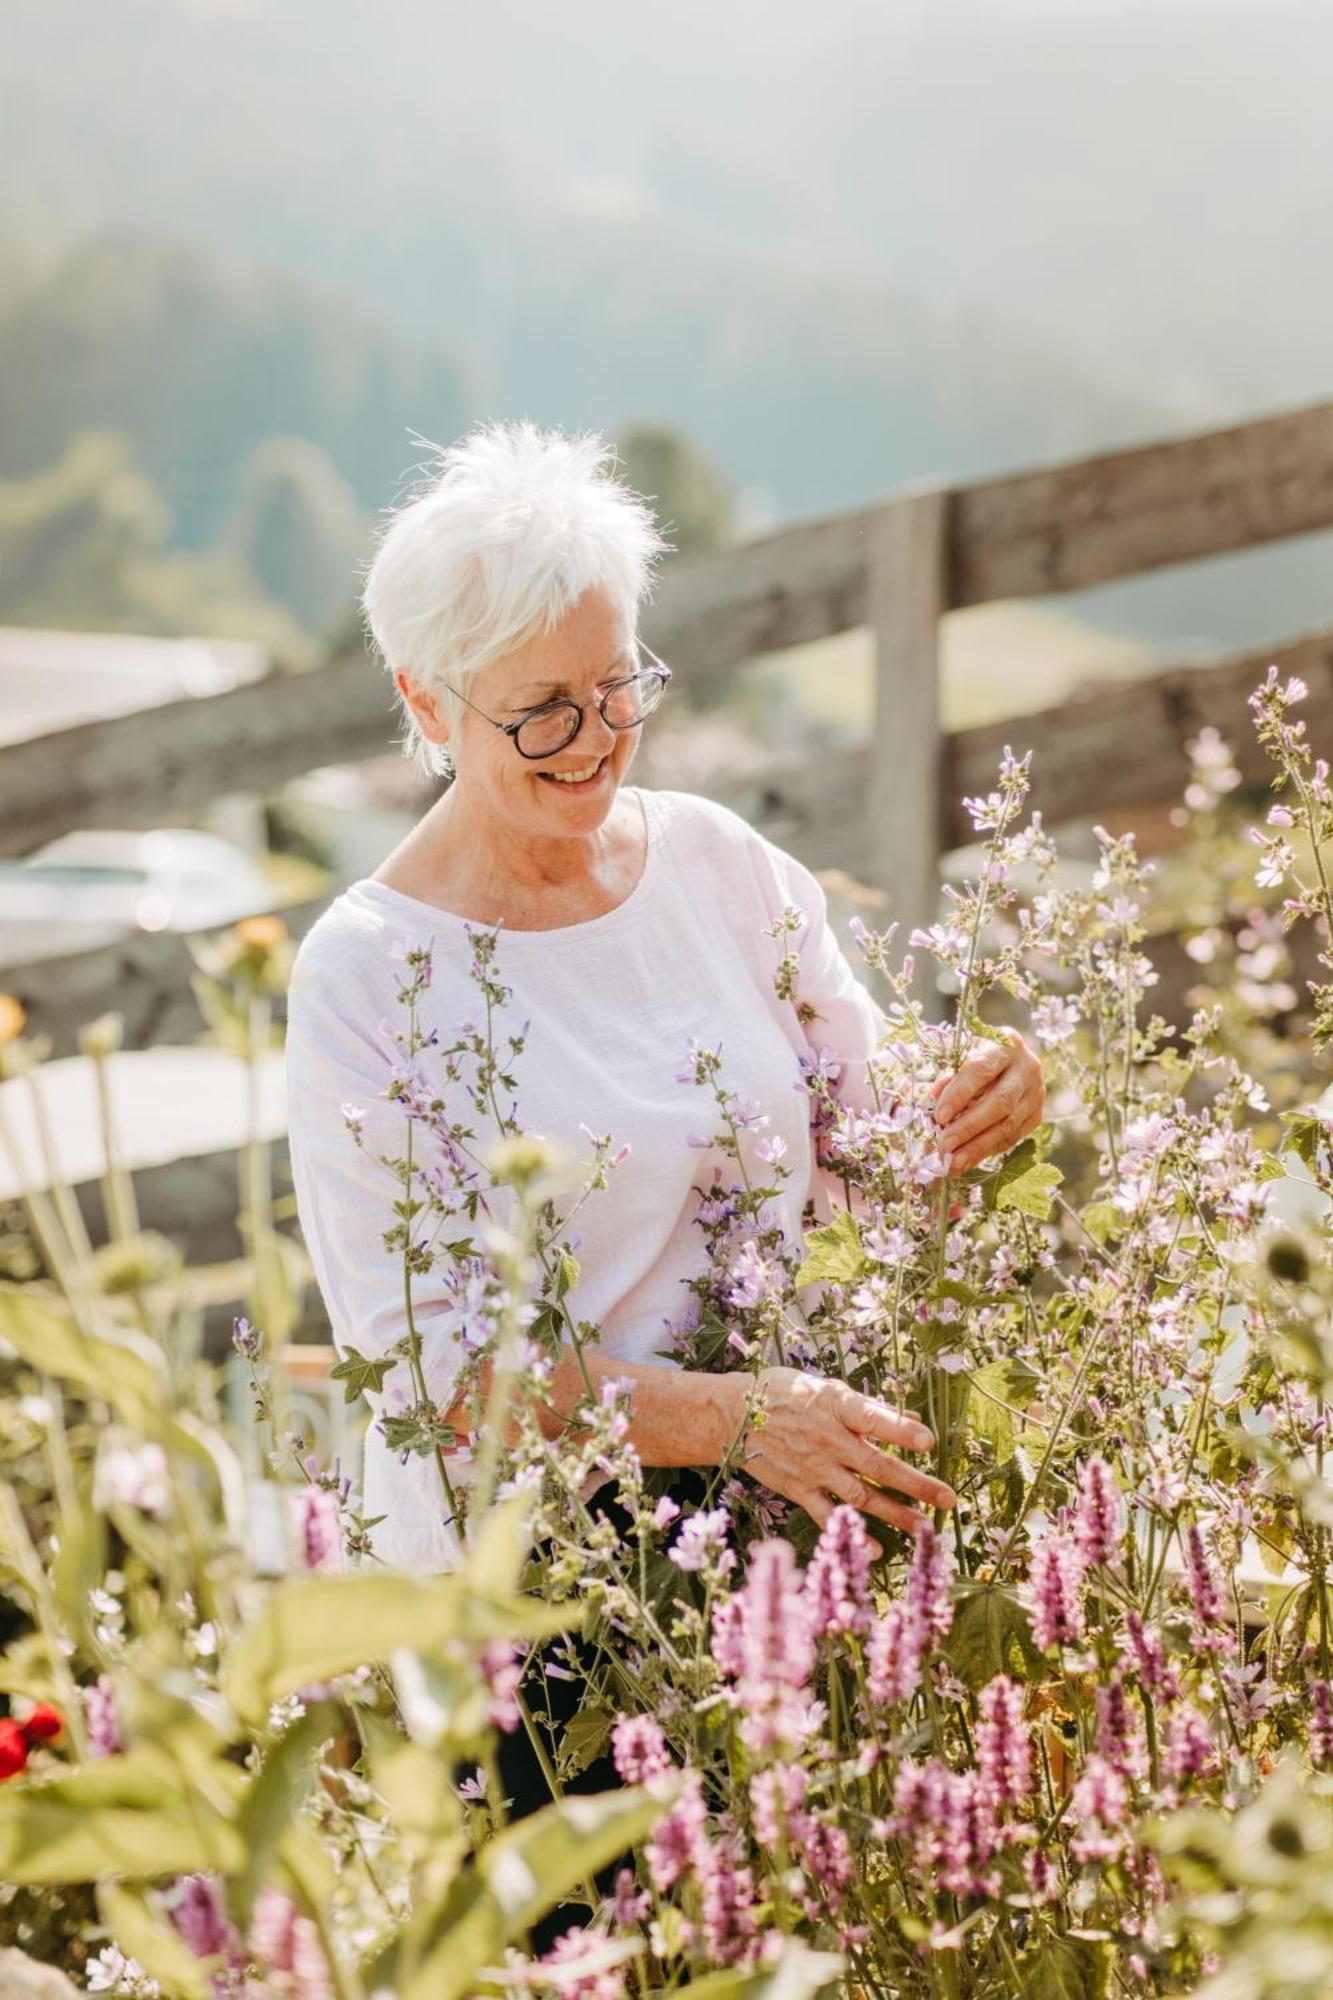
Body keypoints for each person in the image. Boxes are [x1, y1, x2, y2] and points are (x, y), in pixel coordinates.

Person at [284, 417, 1043, 1577]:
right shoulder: (367, 974)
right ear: (428, 705)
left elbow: (872, 1122)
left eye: (617, 684)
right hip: (543, 1593)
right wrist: (730, 1414)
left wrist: (986, 1084)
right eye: (540, 708)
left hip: (793, 1516)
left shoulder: (716, 861)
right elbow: (434, 1371)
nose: (594, 739)